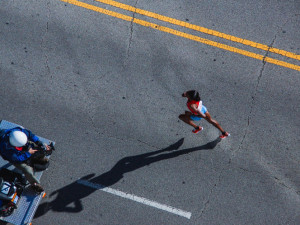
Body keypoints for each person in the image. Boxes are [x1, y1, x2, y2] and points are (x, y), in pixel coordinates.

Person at [0, 127, 51, 193]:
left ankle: (39, 157)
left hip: (22, 147)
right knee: (27, 170)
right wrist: (28, 153)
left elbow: (30, 135)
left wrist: (39, 142)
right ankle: (34, 184)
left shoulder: (18, 132)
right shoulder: (6, 149)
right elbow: (17, 159)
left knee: (42, 147)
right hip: (16, 157)